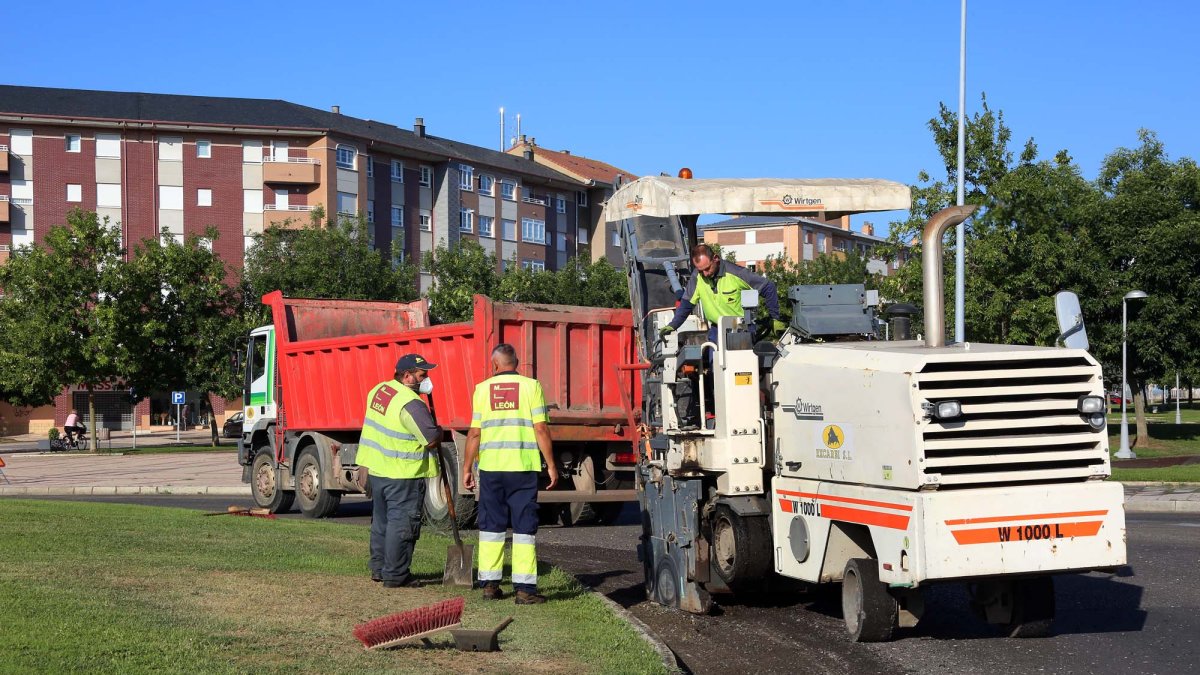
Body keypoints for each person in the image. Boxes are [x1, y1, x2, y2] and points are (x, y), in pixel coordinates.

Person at [462, 344, 559, 605]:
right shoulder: (531, 387)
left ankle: (490, 585)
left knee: (491, 526)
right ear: (516, 362)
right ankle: (525, 590)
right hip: (523, 468)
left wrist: (467, 467)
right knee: (524, 527)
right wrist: (551, 464)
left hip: (491, 469)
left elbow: (474, 433)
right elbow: (540, 428)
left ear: (494, 365)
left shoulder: (482, 389)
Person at [356, 353, 442, 589]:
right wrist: (439, 431)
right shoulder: (411, 403)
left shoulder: (380, 390)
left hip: (378, 469)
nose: (426, 380)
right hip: (403, 474)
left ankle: (379, 569)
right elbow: (430, 439)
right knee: (402, 524)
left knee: (382, 523)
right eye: (422, 375)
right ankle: (395, 575)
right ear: (407, 376)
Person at [659, 243, 784, 339]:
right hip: (716, 330)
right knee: (714, 363)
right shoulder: (697, 277)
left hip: (741, 329)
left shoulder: (737, 273)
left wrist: (774, 317)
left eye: (707, 268)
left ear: (715, 258)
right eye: (700, 270)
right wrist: (673, 325)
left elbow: (768, 287)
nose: (705, 274)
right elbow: (686, 304)